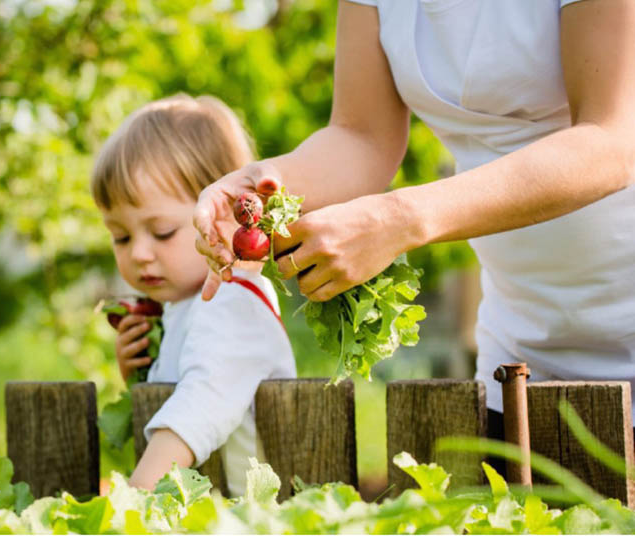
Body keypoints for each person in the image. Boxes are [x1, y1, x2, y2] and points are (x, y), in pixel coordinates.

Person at [193, 0, 635, 432]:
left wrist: (401, 218)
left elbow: (611, 141)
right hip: (521, 339)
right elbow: (362, 137)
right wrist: (265, 183)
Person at [91, 94, 296, 495]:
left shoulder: (235, 301)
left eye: (163, 232)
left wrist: (138, 497)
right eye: (120, 236)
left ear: (221, 215)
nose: (139, 253)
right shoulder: (184, 310)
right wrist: (141, 378)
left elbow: (203, 403)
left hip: (249, 518)